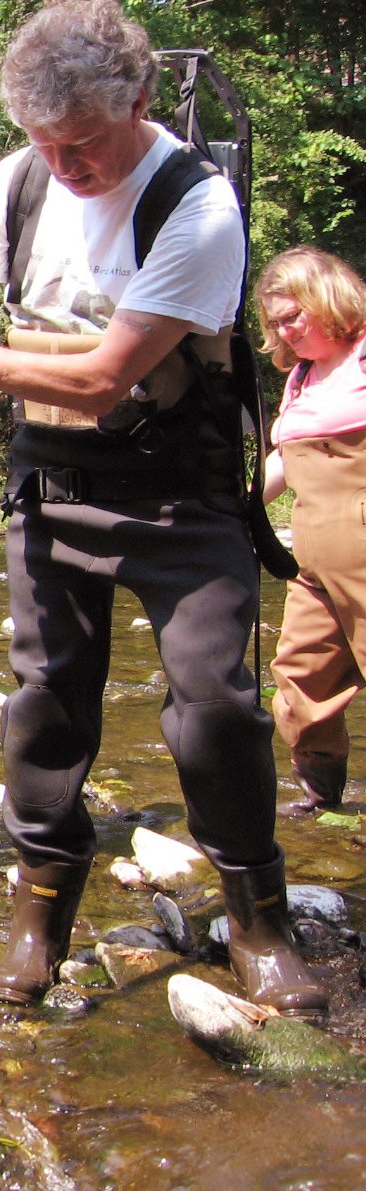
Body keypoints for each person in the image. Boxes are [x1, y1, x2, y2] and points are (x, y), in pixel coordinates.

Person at [0, 0, 327, 1017]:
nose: (64, 166)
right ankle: (39, 914)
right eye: (45, 142)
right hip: (52, 486)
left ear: (142, 99)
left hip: (181, 496)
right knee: (44, 706)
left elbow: (103, 377)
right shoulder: (22, 179)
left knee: (213, 706)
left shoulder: (197, 207)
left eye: (82, 144)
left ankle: (258, 918)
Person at [255, 247, 366, 817]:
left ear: (329, 298)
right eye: (275, 321)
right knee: (299, 675)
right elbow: (283, 460)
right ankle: (322, 798)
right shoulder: (300, 378)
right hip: (314, 563)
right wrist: (239, 507)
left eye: (293, 314)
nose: (284, 330)